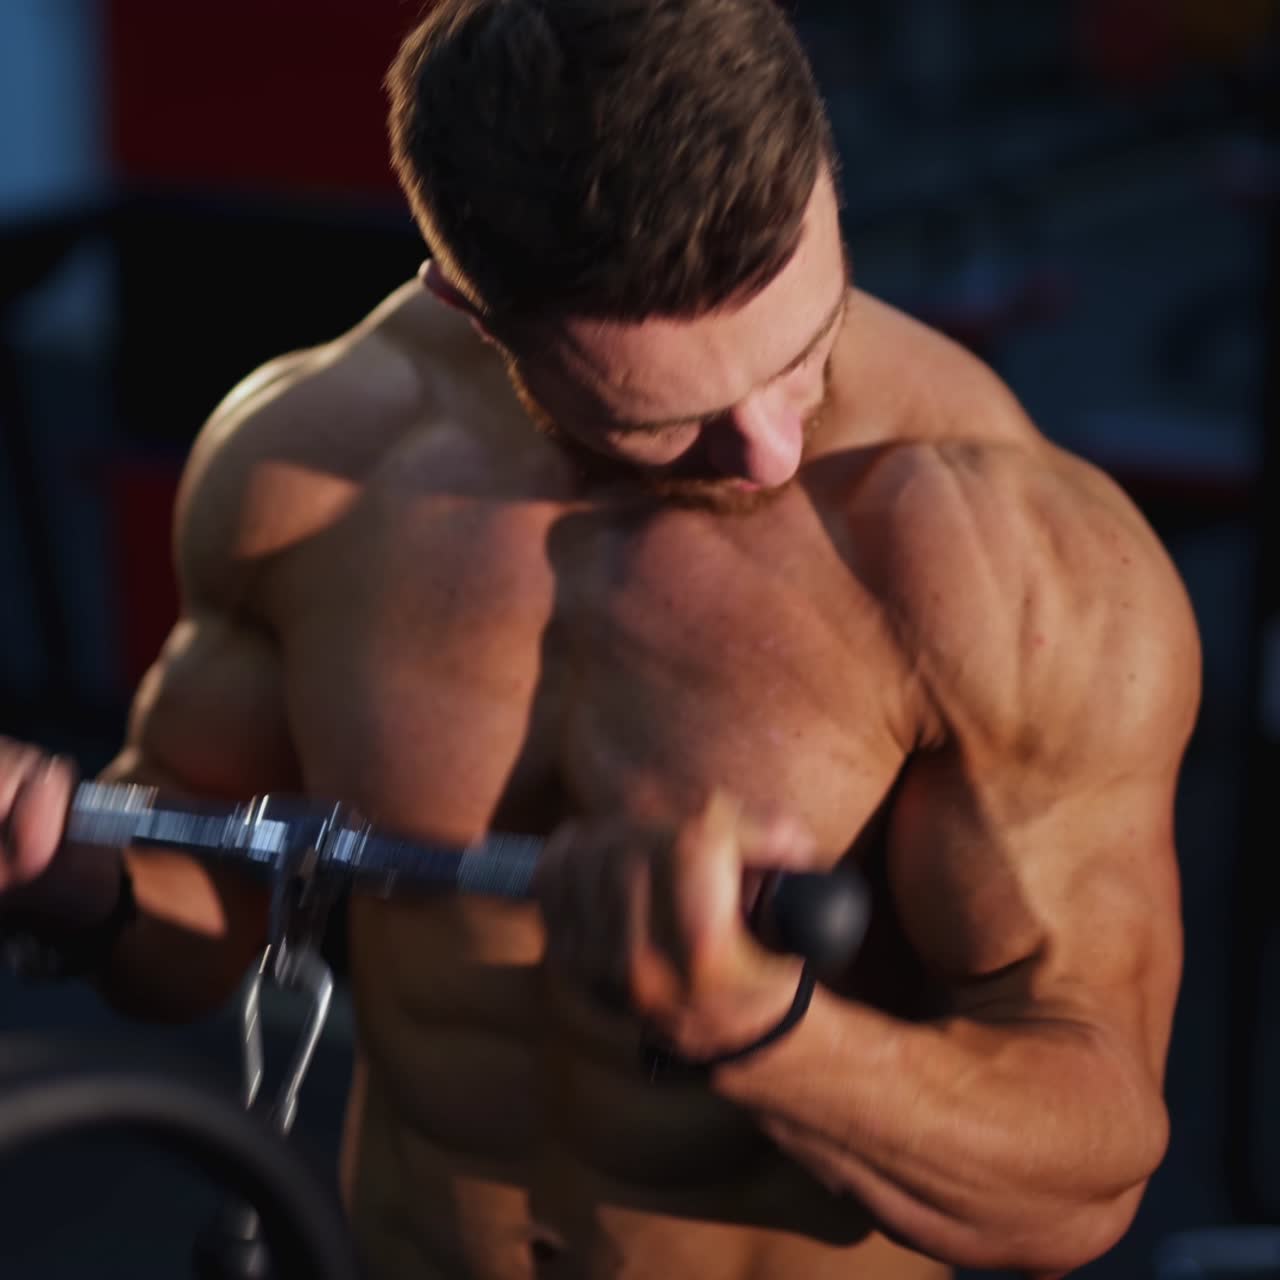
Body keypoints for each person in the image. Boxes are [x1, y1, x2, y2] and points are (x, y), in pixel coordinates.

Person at [0, 1, 1201, 1277]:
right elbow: (220, 902)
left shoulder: (999, 551)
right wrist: (66, 872)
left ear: (824, 176)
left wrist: (753, 1028)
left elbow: (1079, 1186)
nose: (769, 450)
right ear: (469, 306)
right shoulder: (311, 466)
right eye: (666, 420)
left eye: (801, 351)